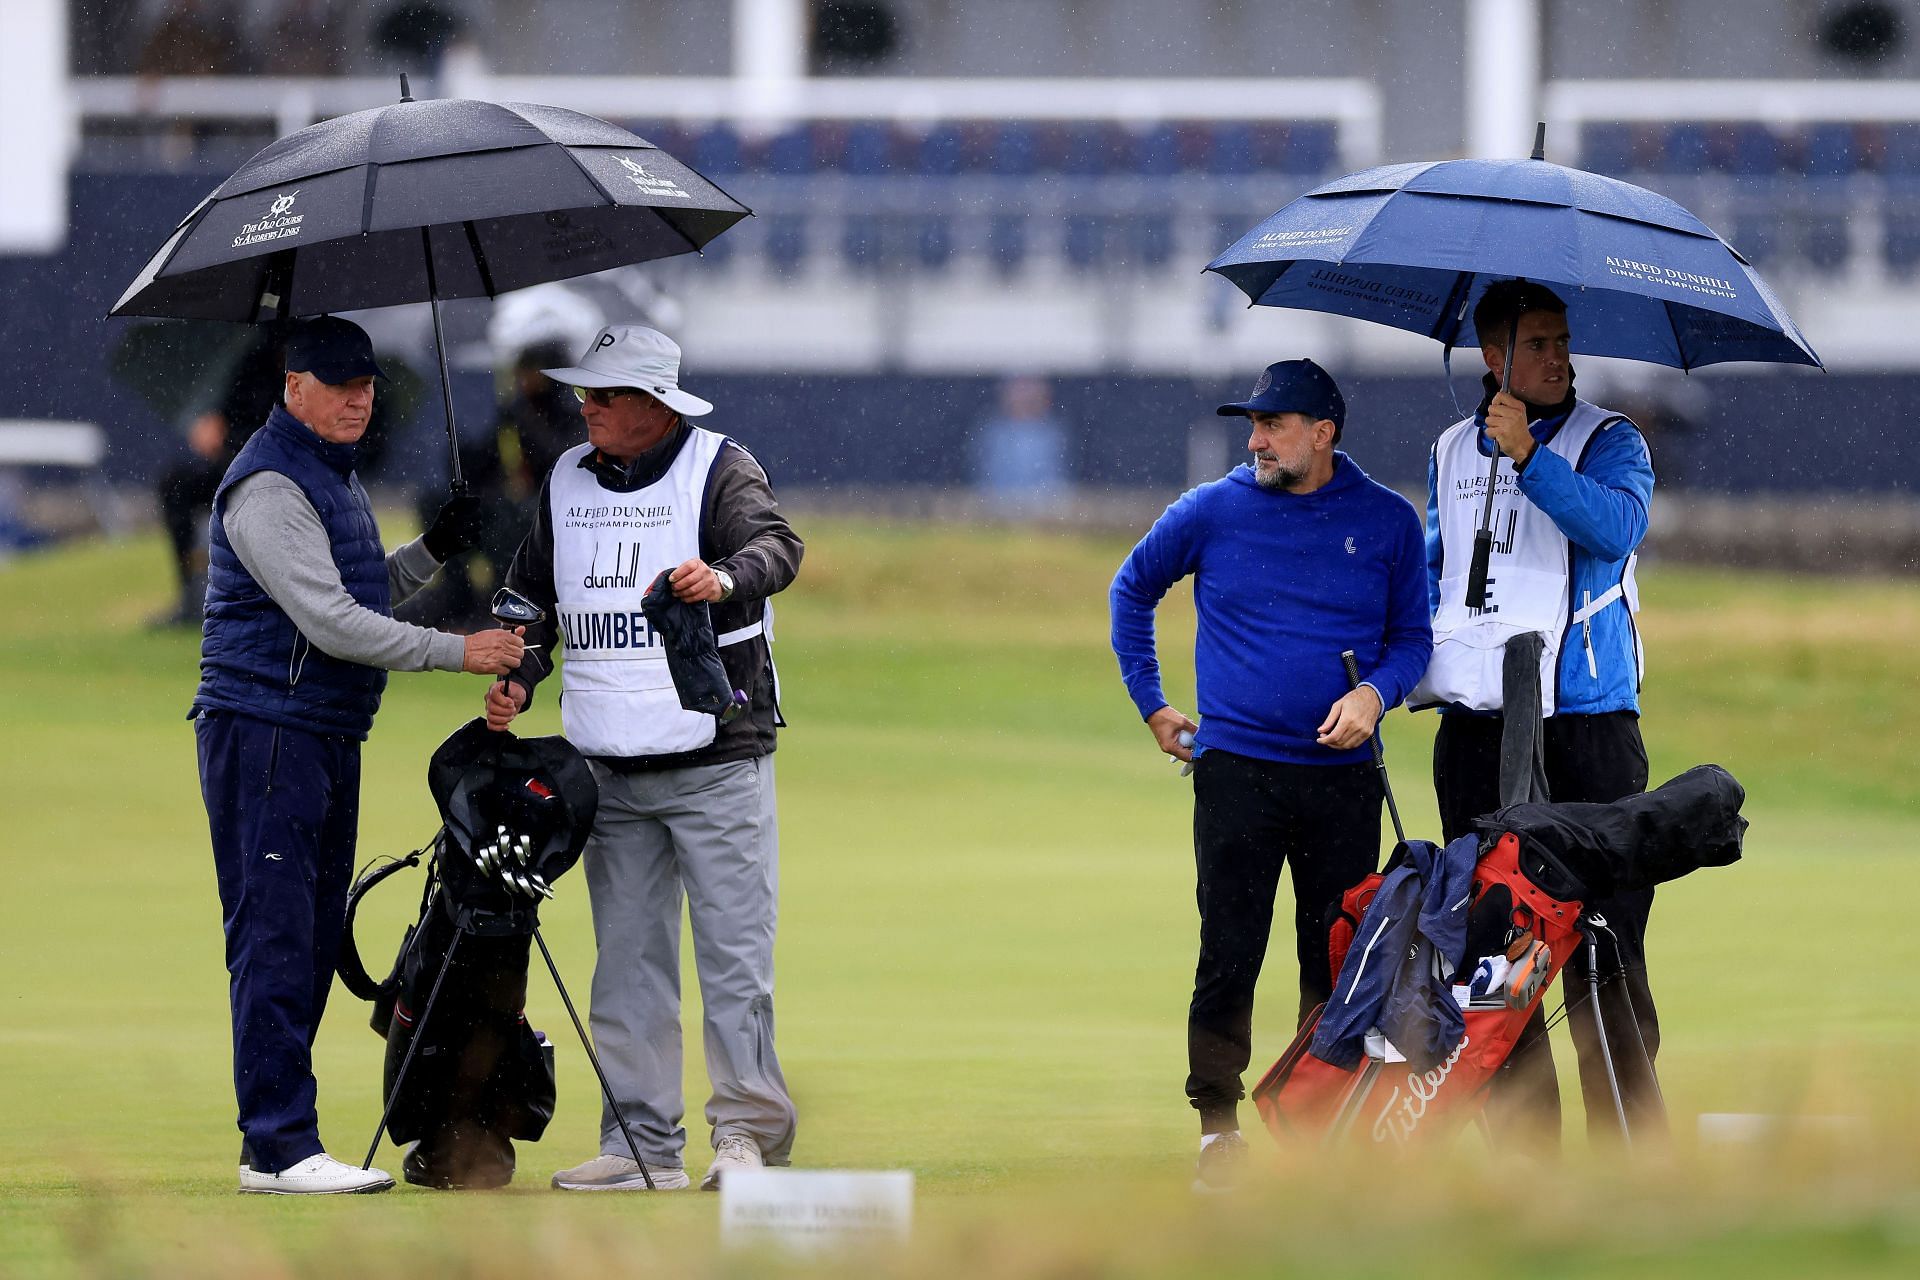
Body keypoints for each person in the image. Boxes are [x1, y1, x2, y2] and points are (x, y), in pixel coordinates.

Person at [192, 316, 523, 1194]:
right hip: (268, 730)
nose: (358, 398)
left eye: (367, 384)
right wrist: (463, 649)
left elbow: (360, 583)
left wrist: (437, 549)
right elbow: (333, 622)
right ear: (292, 387)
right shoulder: (267, 488)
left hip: (320, 733)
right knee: (274, 938)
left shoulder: (329, 479)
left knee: (305, 938)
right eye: (338, 384)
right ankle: (277, 1145)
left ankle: (277, 1143)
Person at [483, 324, 804, 1193]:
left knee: (734, 961)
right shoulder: (562, 478)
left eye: (606, 394)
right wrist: (519, 669)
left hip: (716, 755)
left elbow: (779, 549)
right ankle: (639, 1146)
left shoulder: (720, 468)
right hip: (605, 766)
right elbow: (536, 600)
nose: (585, 406)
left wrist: (724, 578)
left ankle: (745, 1140)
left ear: (656, 404)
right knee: (626, 966)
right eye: (584, 391)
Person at [1108, 359, 1431, 1191]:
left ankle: (1317, 1123)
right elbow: (1131, 590)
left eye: (1273, 425)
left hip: (1342, 777)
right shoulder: (1212, 509)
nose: (1254, 439)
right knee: (1230, 950)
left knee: (1337, 958)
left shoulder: (1388, 521)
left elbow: (1413, 641)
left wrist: (1374, 691)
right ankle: (1218, 1127)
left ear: (1322, 433)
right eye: (1252, 424)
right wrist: (1153, 704)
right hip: (1236, 772)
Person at [1411, 279, 1662, 1148]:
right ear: (1494, 357)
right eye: (1540, 343)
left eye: (1562, 341)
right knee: (1494, 952)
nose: (1560, 357)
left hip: (1589, 725)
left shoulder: (1613, 439)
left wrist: (1530, 459)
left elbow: (1615, 529)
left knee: (1604, 945)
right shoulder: (1449, 448)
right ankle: (1529, 1165)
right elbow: (1435, 573)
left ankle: (1634, 1153)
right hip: (1481, 725)